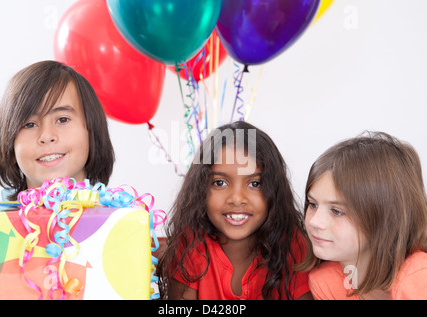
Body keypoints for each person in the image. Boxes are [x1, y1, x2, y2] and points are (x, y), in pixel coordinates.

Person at [156, 121, 311, 300]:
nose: (237, 198)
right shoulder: (191, 242)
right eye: (220, 183)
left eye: (255, 184)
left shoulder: (292, 245)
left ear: (274, 191)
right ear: (201, 190)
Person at [299, 131, 427, 299]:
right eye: (313, 204)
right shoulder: (327, 283)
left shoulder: (419, 276)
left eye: (337, 211)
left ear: (385, 217)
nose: (315, 222)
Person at [0, 60, 114, 202]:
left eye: (62, 120)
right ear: (9, 144)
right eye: (29, 124)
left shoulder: (123, 217)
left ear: (92, 132)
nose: (47, 136)